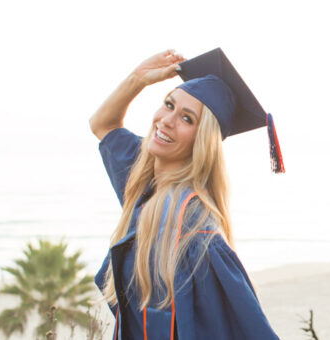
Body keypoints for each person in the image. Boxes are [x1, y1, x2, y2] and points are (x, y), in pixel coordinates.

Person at [89, 48, 283, 340]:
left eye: (187, 119)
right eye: (168, 104)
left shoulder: (197, 231)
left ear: (202, 142)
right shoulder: (144, 178)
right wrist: (139, 78)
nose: (167, 120)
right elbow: (102, 124)